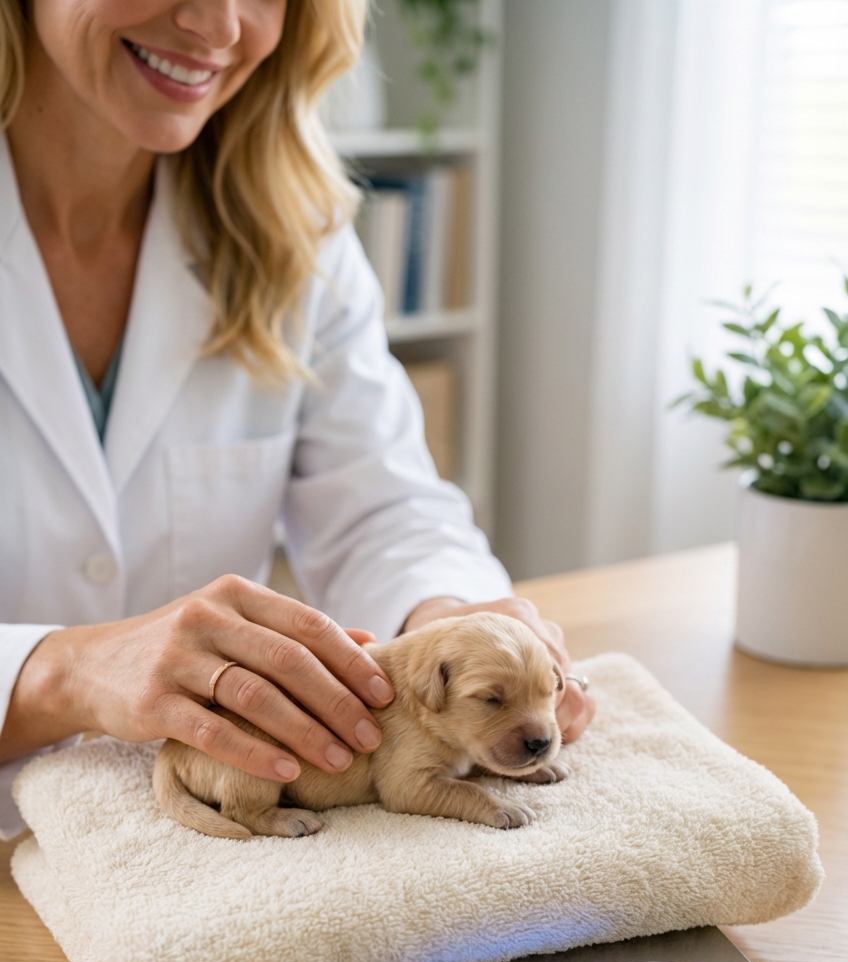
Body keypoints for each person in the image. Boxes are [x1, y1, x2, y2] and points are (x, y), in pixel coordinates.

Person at [0, 0, 594, 840]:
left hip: (192, 869)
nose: (217, 24)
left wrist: (448, 628)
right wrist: (56, 673)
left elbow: (382, 507)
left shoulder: (296, 228)